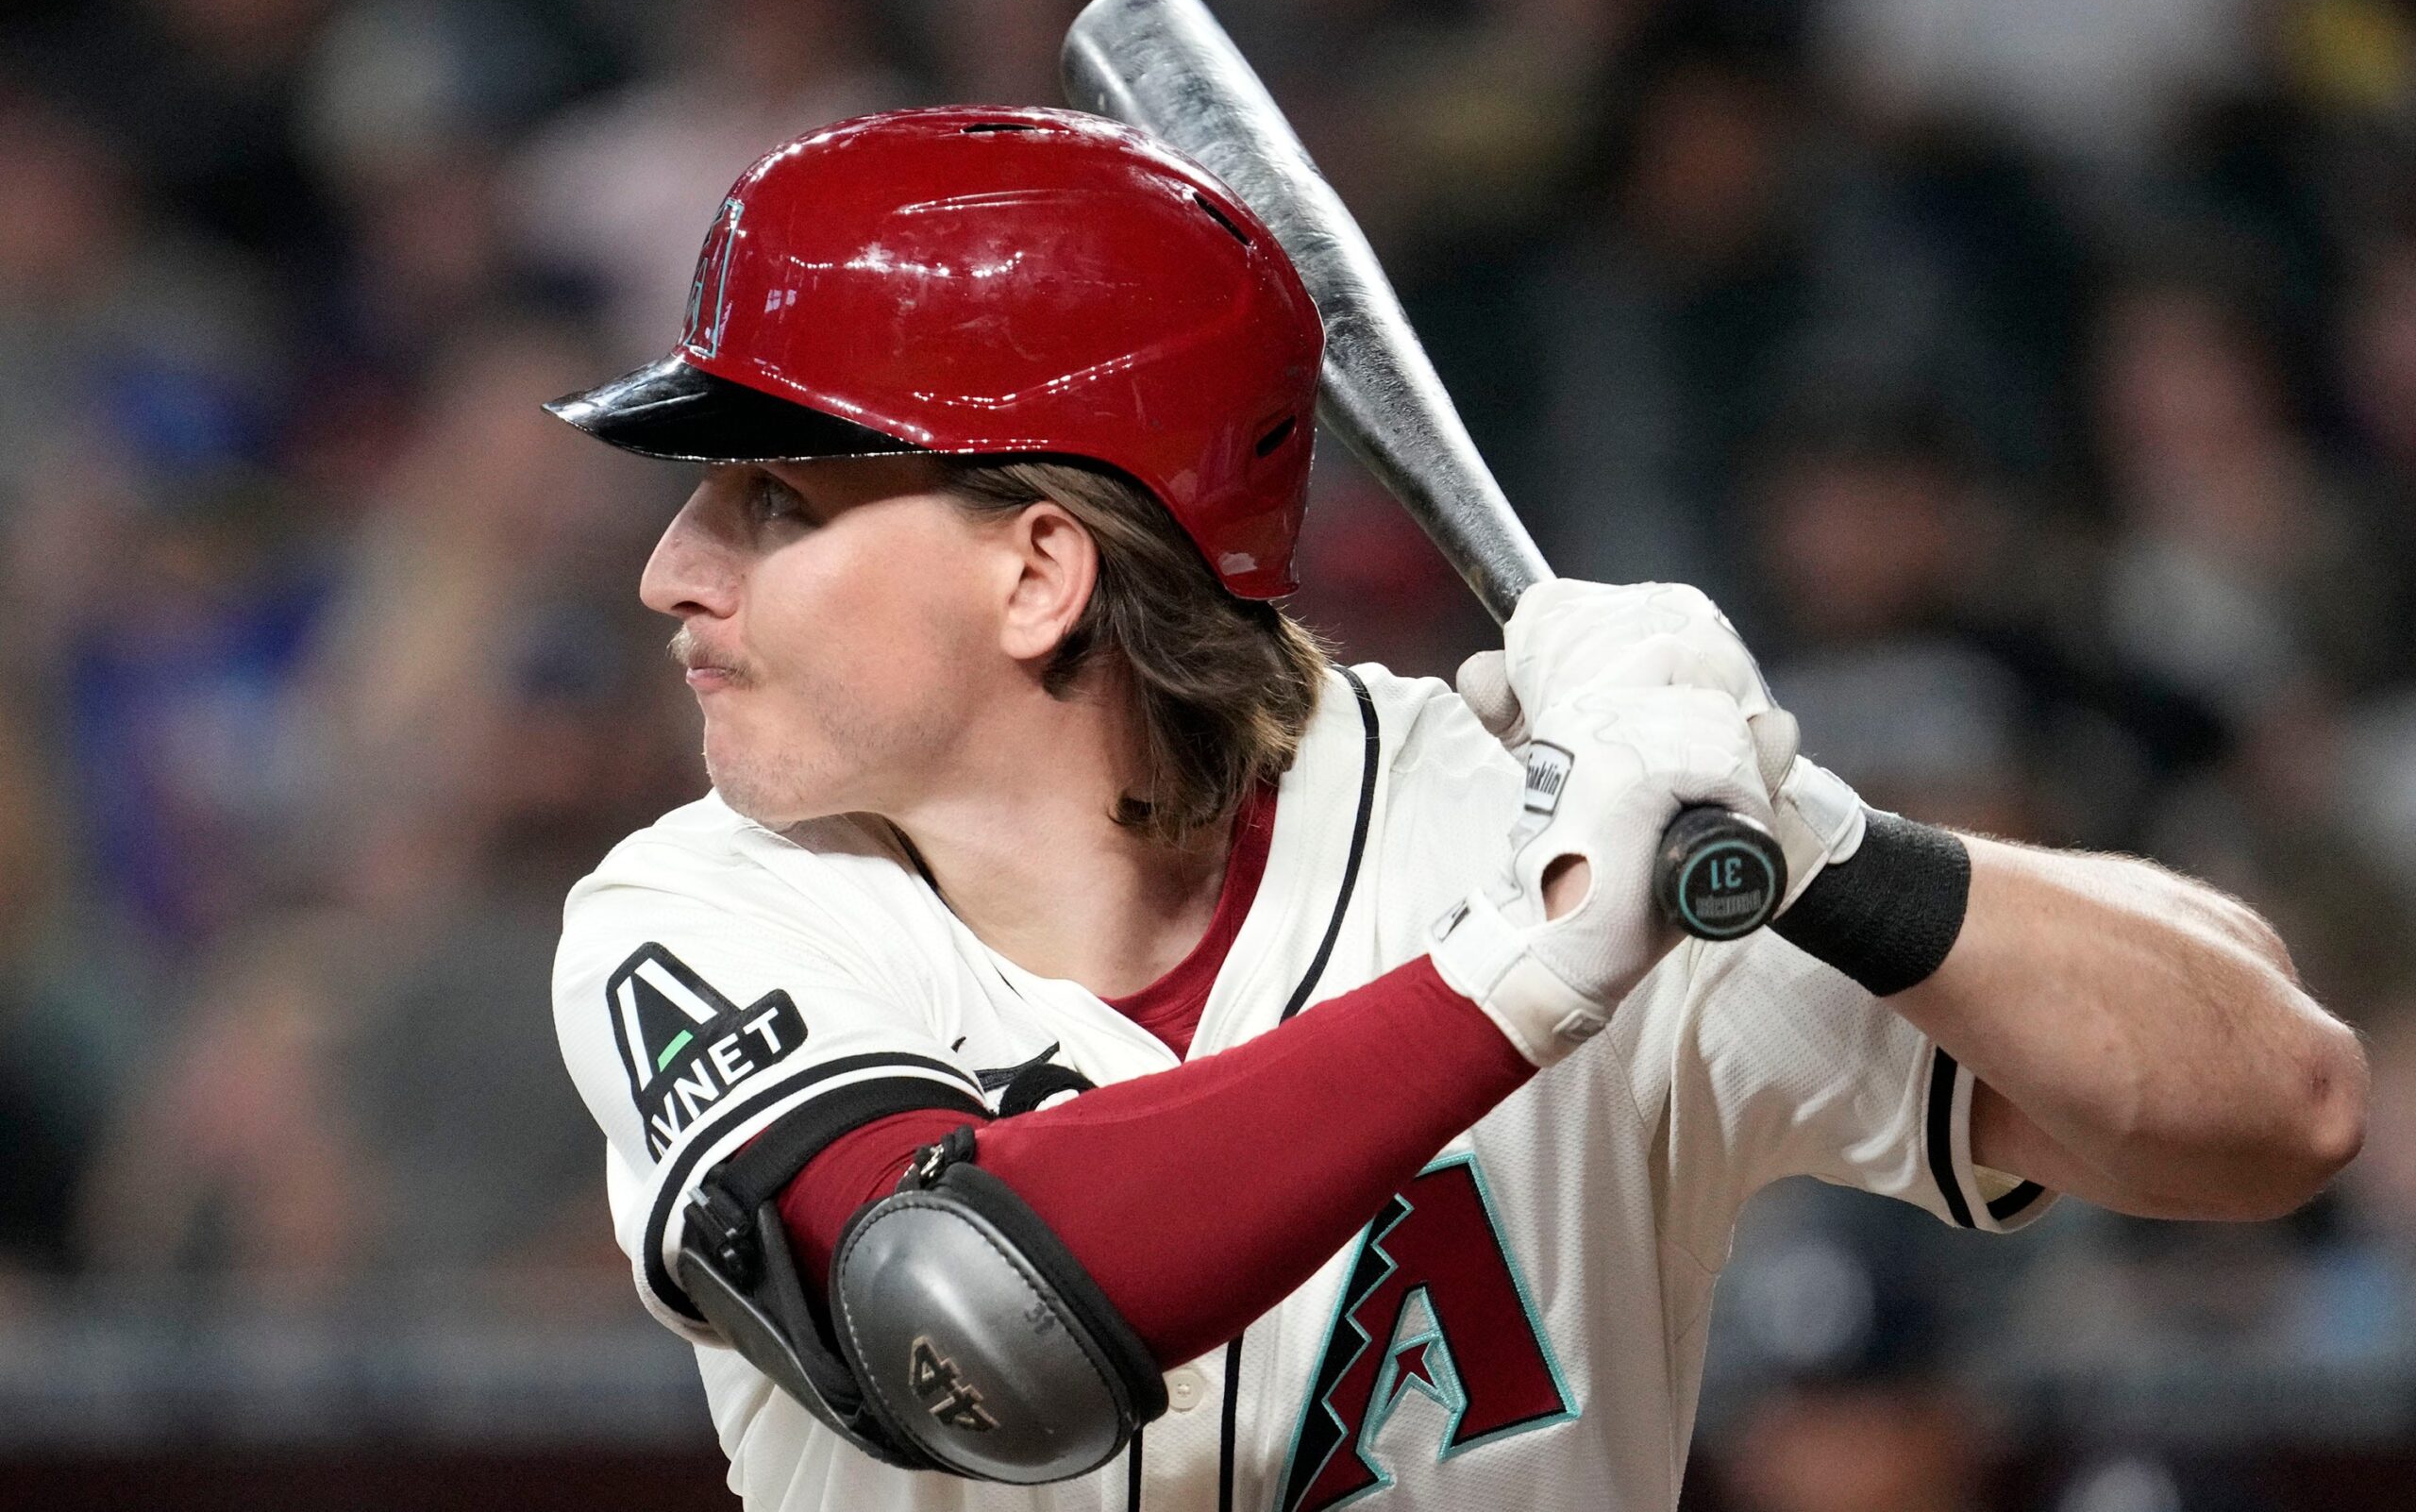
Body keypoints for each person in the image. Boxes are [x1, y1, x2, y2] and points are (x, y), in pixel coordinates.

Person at [543, 108, 2366, 1512]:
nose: (672, 572)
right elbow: (969, 1310)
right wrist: (1536, 962)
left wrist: (1813, 834)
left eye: (767, 499)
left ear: (1040, 573)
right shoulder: (705, 910)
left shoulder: (1539, 840)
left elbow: (2275, 1108)